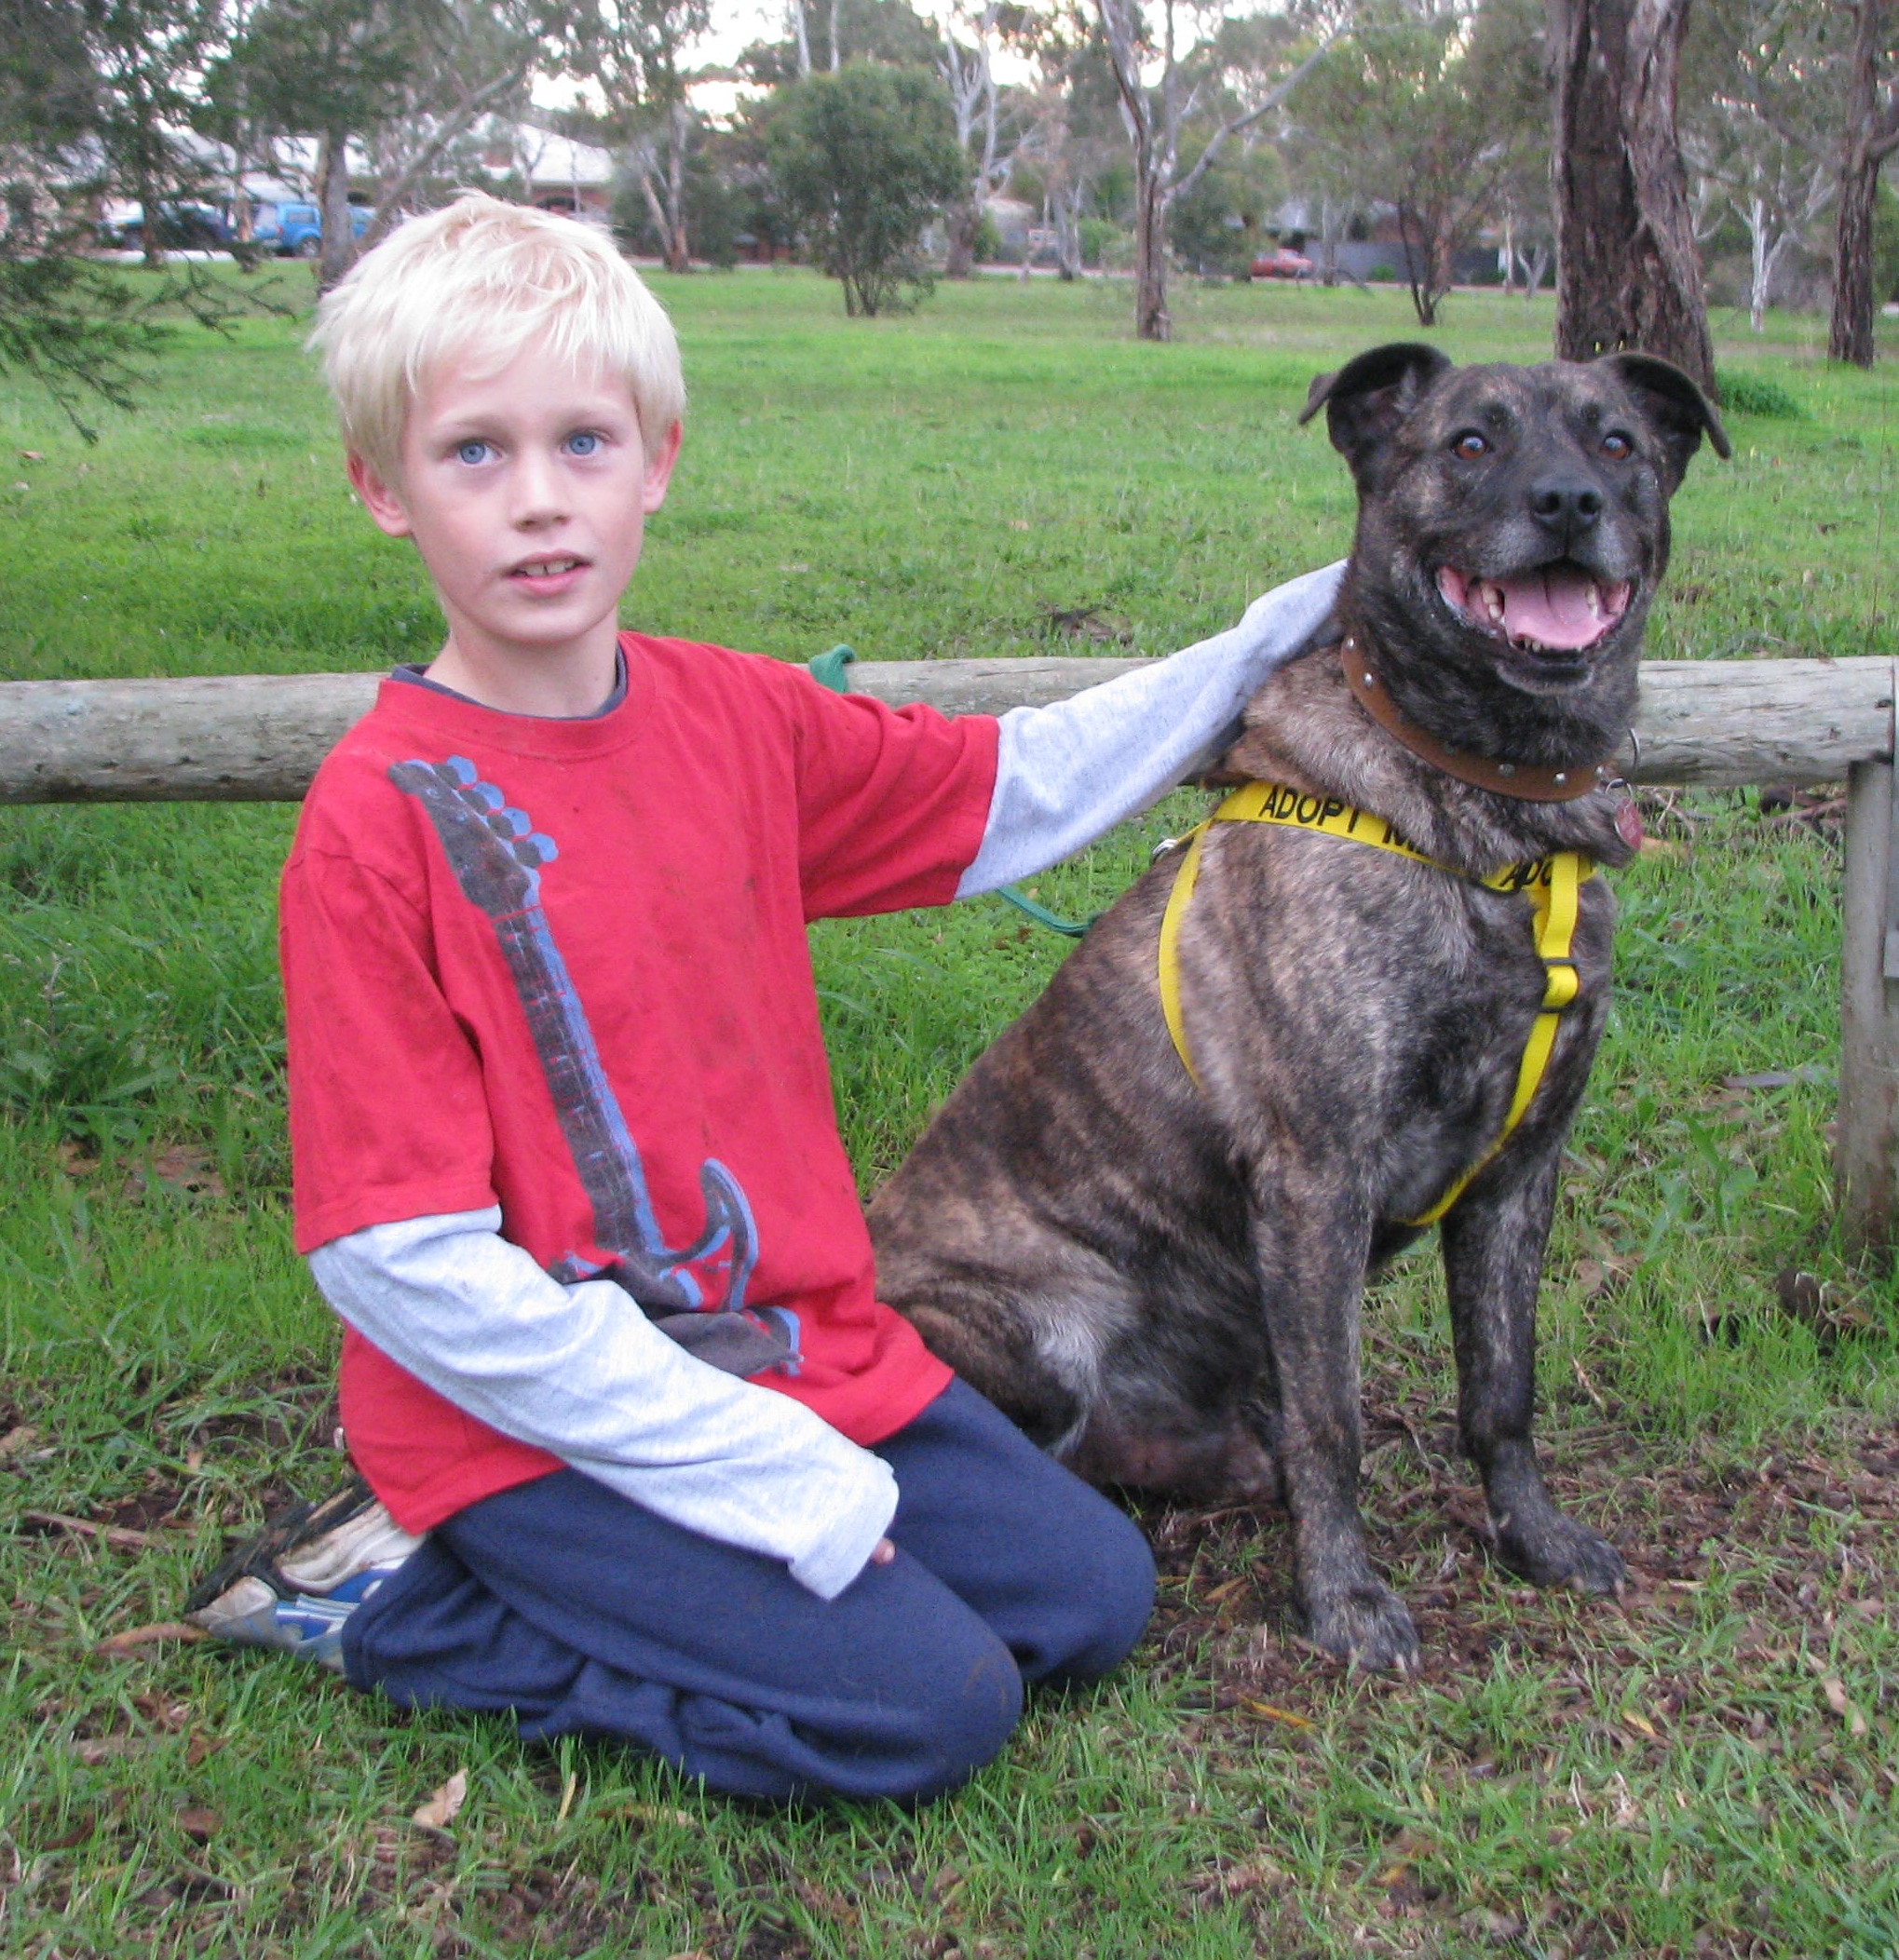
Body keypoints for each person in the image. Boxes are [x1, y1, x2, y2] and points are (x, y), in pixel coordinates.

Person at [183, 192, 1343, 1805]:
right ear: (382, 485)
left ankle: (697, 1558)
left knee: (1089, 1601)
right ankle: (403, 1598)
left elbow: (1012, 787)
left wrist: (1266, 641)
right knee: (927, 1709)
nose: (539, 503)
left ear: (657, 456)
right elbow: (402, 1262)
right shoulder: (378, 823)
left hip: (800, 1345)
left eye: (583, 443)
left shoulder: (732, 719)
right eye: (474, 454)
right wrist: (758, 1473)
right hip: (524, 1423)